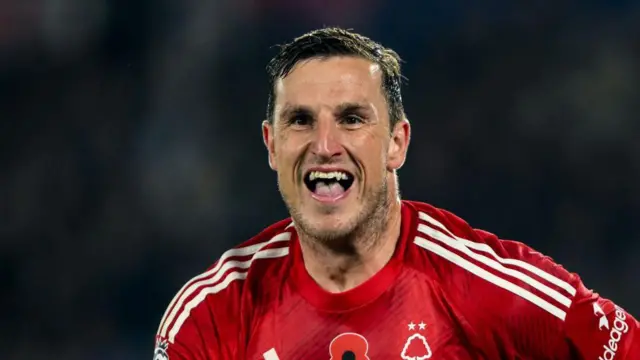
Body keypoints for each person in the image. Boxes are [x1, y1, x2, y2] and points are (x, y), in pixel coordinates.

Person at [153, 27, 638, 359]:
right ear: (272, 146)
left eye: (351, 119)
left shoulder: (491, 291)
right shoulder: (212, 317)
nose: (324, 146)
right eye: (300, 121)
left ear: (396, 143)